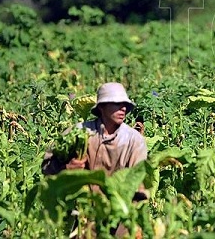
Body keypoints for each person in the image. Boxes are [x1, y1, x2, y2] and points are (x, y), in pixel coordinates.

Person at [42, 82, 148, 236]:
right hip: (81, 213)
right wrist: (66, 169)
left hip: (119, 215)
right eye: (116, 104)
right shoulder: (79, 132)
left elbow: (137, 182)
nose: (123, 108)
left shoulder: (134, 140)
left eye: (125, 104)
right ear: (101, 108)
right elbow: (47, 165)